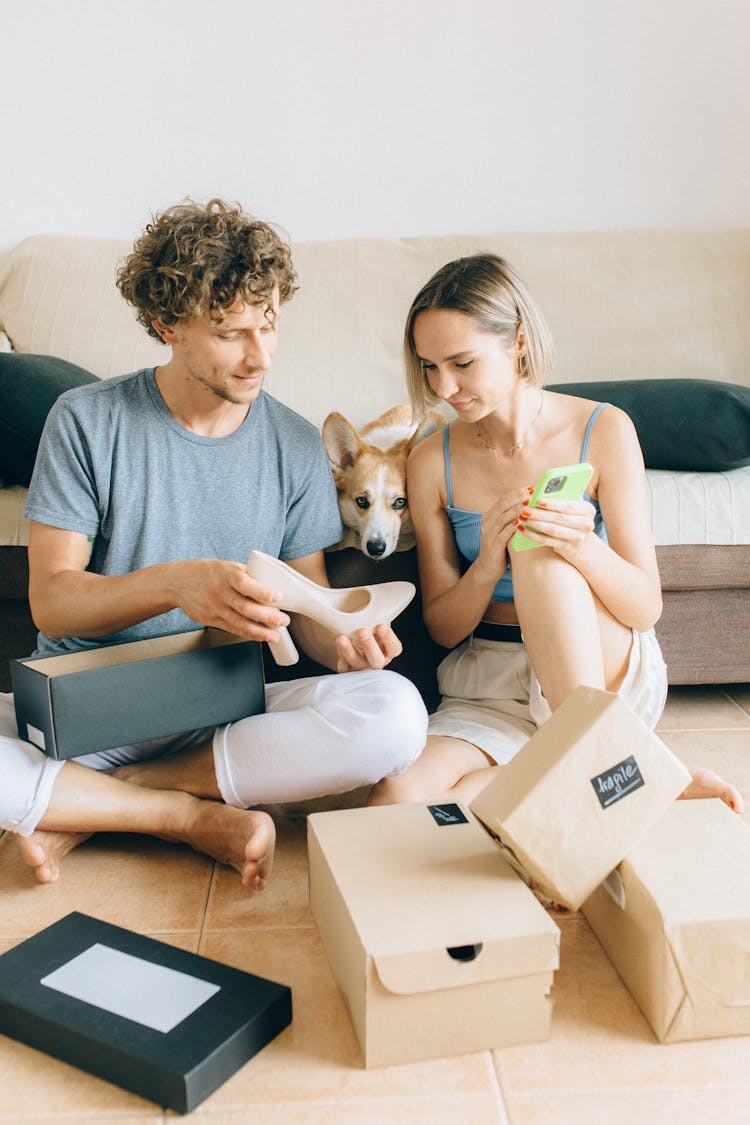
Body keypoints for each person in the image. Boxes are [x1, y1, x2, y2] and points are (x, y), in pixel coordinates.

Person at [0, 199, 427, 888]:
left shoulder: (290, 442)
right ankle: (183, 817)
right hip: (89, 710)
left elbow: (307, 611)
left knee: (397, 715)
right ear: (167, 325)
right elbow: (52, 602)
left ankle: (103, 802)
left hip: (224, 714)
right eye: (231, 333)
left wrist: (342, 640)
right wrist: (177, 583)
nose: (260, 356)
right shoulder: (86, 421)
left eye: (270, 325)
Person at [369, 253, 742, 813]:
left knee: (539, 550)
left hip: (596, 666)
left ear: (517, 342)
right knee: (395, 801)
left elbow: (645, 608)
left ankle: (600, 758)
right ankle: (627, 778)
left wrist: (581, 546)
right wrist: (489, 562)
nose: (444, 387)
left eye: (462, 363)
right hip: (490, 683)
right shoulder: (430, 461)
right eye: (429, 367)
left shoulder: (604, 430)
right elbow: (444, 629)